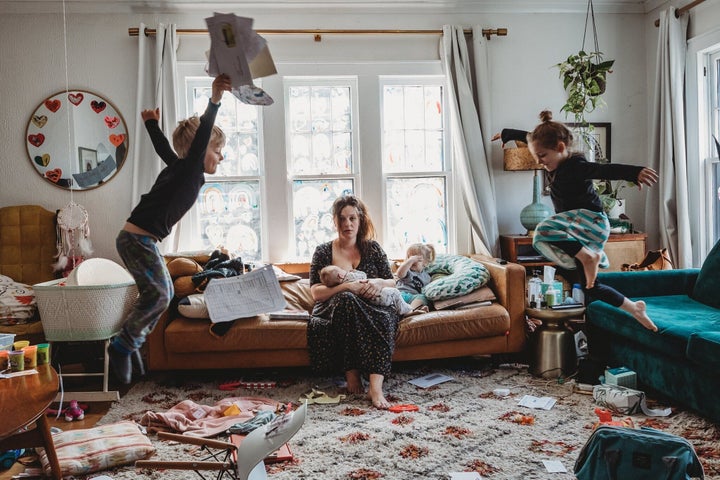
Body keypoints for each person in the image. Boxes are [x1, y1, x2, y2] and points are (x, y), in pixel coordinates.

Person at [109, 74, 233, 384]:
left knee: (159, 292)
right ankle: (123, 345)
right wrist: (215, 98)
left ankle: (132, 342)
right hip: (138, 240)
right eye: (218, 150)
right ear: (200, 149)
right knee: (162, 295)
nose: (221, 156)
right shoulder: (189, 167)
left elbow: (164, 147)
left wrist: (151, 124)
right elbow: (202, 133)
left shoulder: (180, 168)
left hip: (141, 240)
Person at [492, 110, 659, 332]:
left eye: (542, 156)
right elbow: (531, 136)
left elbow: (604, 169)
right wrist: (508, 133)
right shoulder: (554, 157)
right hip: (579, 230)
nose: (540, 162)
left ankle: (588, 255)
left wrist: (634, 173)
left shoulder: (575, 166)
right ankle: (634, 309)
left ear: (560, 148)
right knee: (589, 286)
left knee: (542, 232)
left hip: (590, 222)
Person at [308, 195, 399, 409]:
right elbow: (316, 292)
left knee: (386, 316)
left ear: (361, 220)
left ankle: (375, 387)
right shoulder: (323, 251)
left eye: (352, 218)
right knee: (347, 300)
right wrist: (346, 286)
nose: (347, 224)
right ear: (335, 221)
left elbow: (392, 282)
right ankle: (352, 374)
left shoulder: (373, 249)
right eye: (342, 219)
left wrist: (377, 283)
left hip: (372, 305)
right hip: (335, 307)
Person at [319, 265, 428, 316]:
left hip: (371, 300)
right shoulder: (350, 277)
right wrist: (355, 271)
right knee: (395, 293)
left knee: (393, 299)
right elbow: (363, 275)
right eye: (341, 269)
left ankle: (406, 310)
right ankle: (408, 311)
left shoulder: (340, 286)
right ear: (340, 274)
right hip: (377, 296)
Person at [395, 243, 435, 311]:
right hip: (401, 295)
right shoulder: (407, 270)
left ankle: (412, 310)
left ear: (425, 262)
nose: (413, 261)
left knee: (422, 298)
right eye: (410, 257)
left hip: (414, 298)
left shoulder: (427, 277)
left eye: (417, 259)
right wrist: (410, 261)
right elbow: (399, 274)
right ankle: (410, 310)